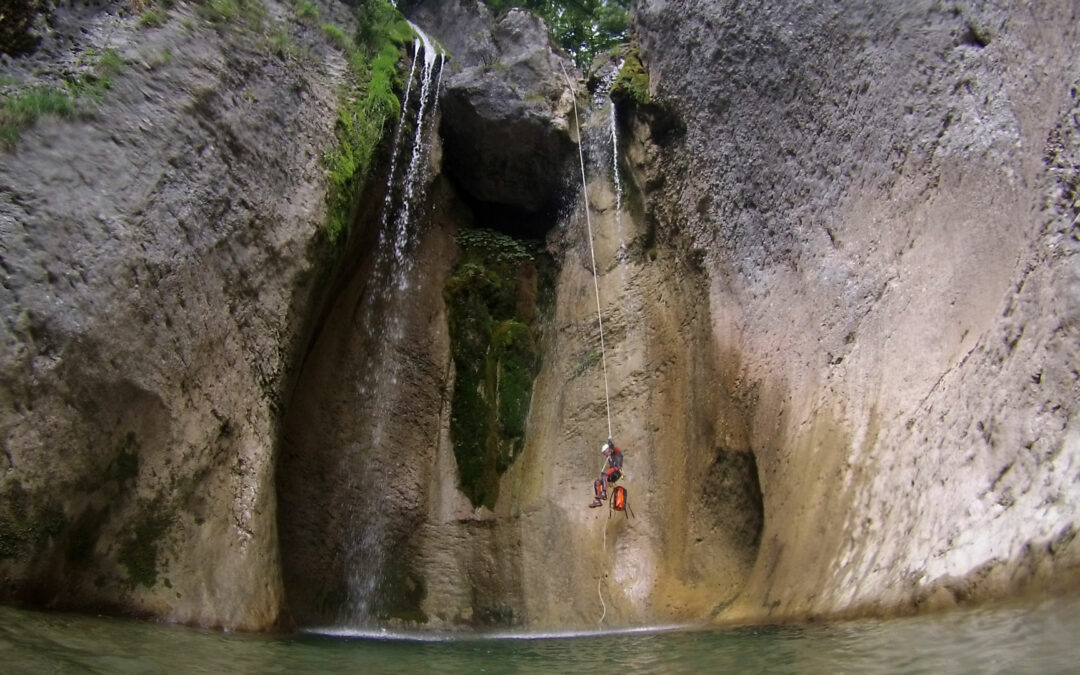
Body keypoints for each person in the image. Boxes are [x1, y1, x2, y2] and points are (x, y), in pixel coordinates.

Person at [589, 438, 623, 507]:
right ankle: (598, 501)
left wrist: (610, 442)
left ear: (608, 450)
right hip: (612, 475)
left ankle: (604, 493)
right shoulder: (609, 457)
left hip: (617, 471)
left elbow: (614, 447)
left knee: (605, 474)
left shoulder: (616, 453)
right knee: (597, 482)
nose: (605, 455)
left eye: (605, 453)